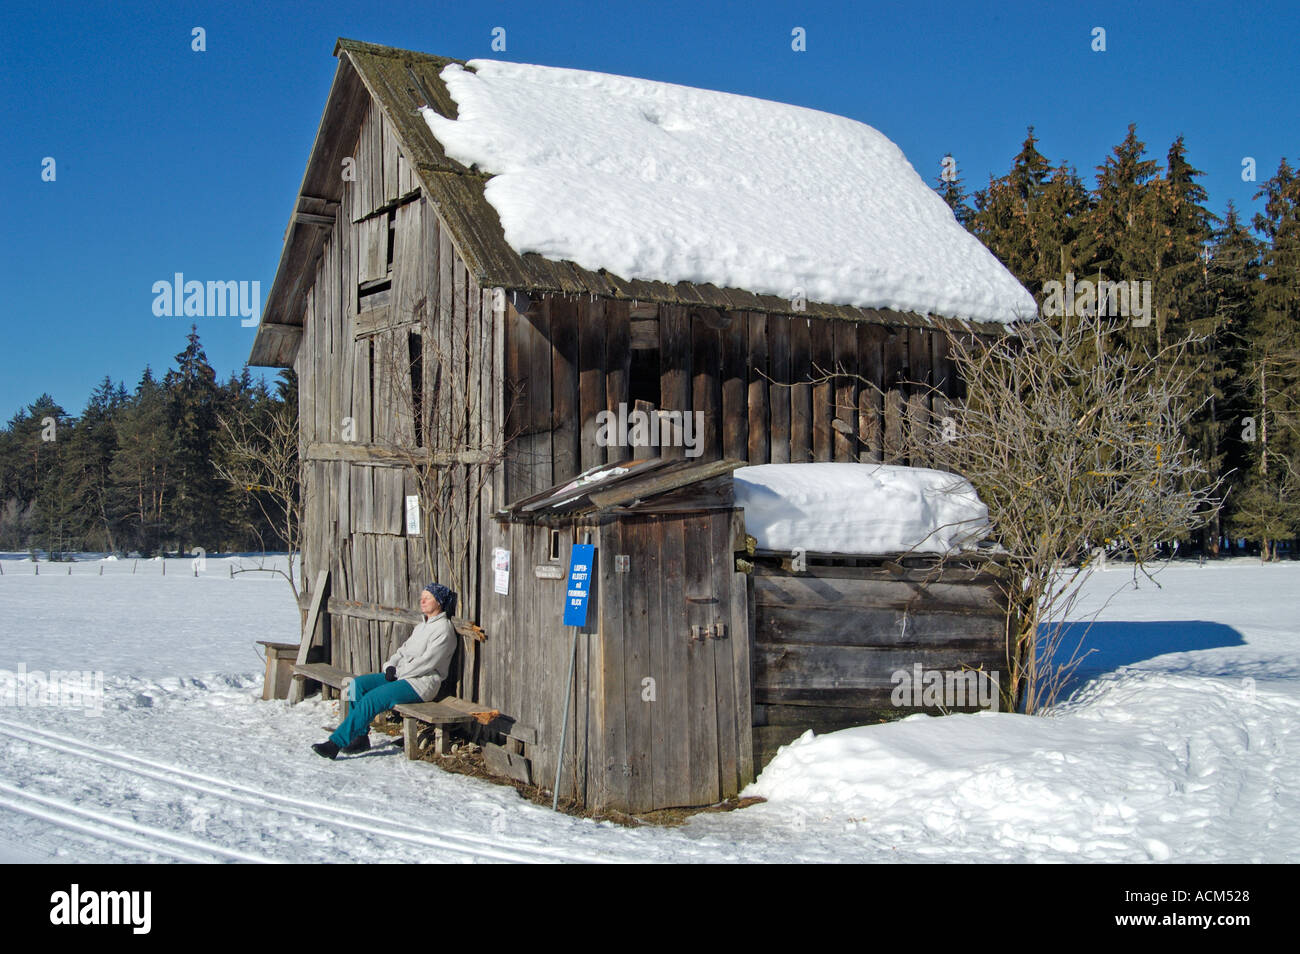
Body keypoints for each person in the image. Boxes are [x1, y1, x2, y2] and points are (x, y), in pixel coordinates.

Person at [311, 583, 458, 760]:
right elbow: (403, 650)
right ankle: (360, 738)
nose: (422, 600)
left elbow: (426, 663)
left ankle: (335, 743)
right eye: (422, 597)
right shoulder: (422, 626)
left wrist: (398, 672)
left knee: (372, 699)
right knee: (357, 685)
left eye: (428, 597)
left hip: (421, 683)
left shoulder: (443, 630)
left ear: (439, 602)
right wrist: (390, 665)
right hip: (402, 676)